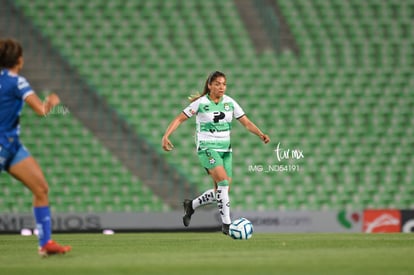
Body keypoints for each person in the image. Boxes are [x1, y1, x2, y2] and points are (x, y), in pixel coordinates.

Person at [162, 71, 270, 235]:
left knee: (221, 191)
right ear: (210, 85)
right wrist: (166, 136)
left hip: (226, 150)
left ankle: (191, 205)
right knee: (224, 184)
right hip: (207, 148)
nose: (222, 87)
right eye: (218, 84)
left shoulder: (230, 103)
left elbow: (246, 123)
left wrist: (260, 134)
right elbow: (179, 119)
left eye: (224, 84)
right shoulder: (200, 103)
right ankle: (226, 225)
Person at [0, 38, 71, 256]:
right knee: (41, 190)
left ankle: (46, 243)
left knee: (40, 188)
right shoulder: (18, 82)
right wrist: (51, 100)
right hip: (5, 145)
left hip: (13, 147)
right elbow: (41, 110)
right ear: (19, 61)